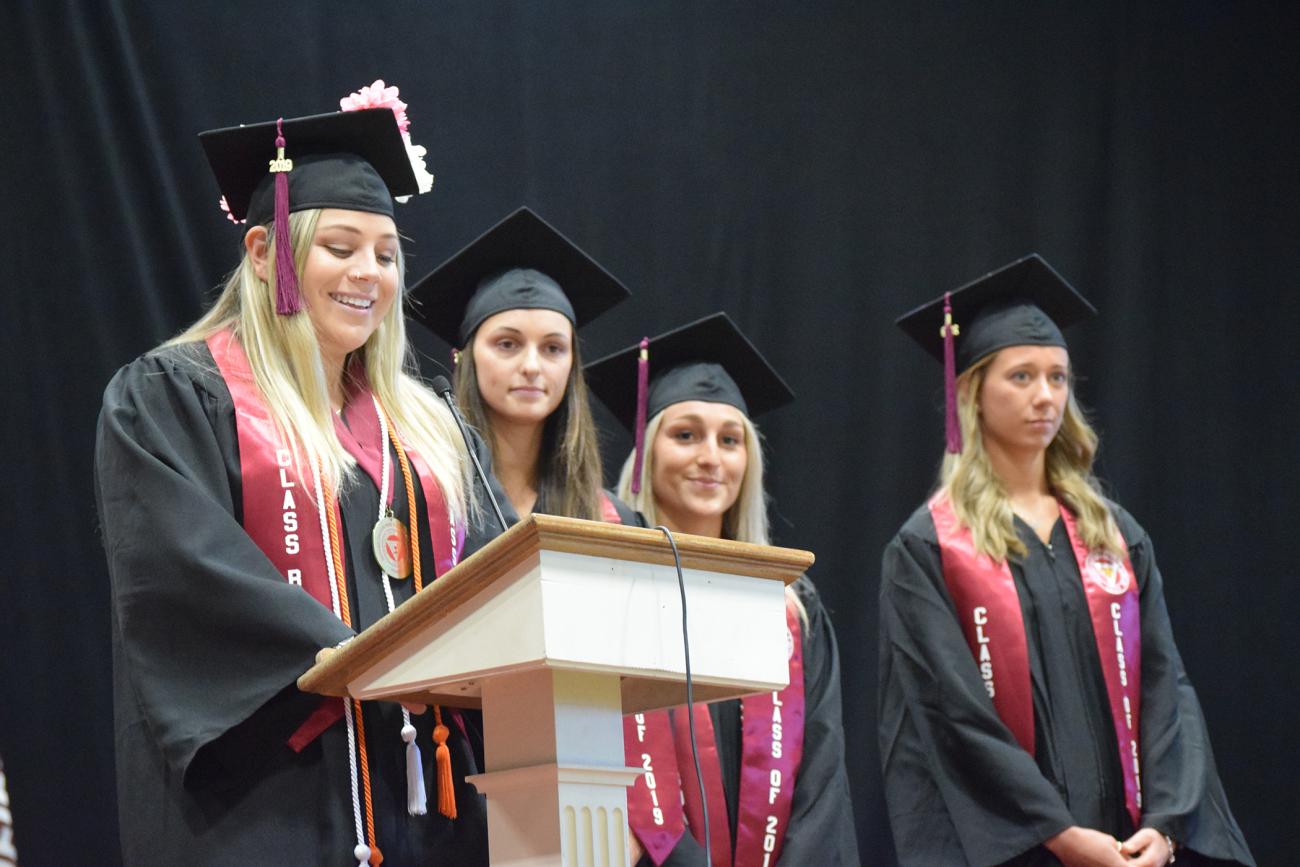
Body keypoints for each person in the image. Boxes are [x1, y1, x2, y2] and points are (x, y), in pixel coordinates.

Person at [95, 86, 505, 866]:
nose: (370, 274)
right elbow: (185, 575)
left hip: (424, 797)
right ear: (263, 253)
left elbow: (490, 574)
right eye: (341, 246)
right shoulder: (176, 395)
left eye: (387, 254)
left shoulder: (431, 430)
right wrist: (384, 660)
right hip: (264, 801)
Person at [880, 255, 1255, 866]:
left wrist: (1164, 823)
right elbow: (949, 710)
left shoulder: (1111, 531)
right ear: (971, 392)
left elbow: (1165, 683)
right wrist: (1057, 833)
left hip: (1130, 840)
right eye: (1021, 377)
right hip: (1017, 845)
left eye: (1058, 377)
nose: (1045, 396)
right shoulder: (931, 546)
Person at [585, 313, 860, 867]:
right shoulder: (609, 589)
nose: (711, 457)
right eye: (686, 435)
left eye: (729, 440)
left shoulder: (791, 607)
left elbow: (823, 778)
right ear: (648, 454)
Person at [409, 205, 638, 523]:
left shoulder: (611, 519)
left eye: (553, 348)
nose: (532, 366)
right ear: (465, 358)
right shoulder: (426, 494)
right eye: (507, 344)